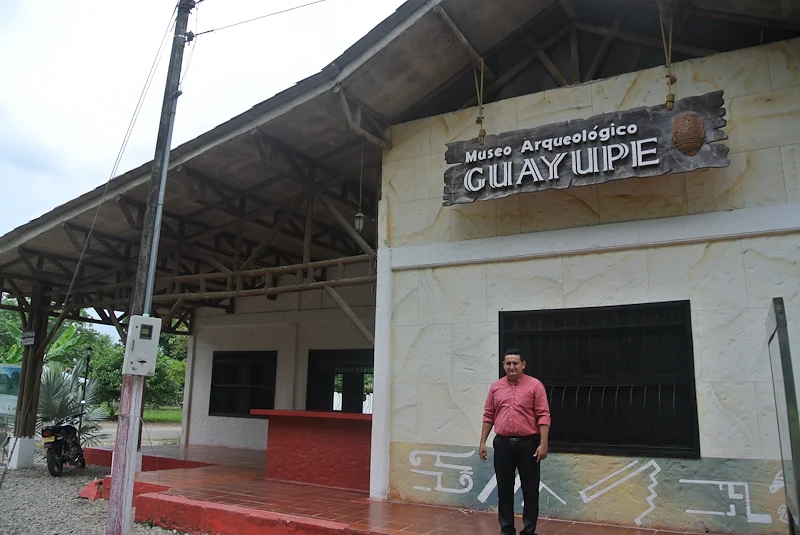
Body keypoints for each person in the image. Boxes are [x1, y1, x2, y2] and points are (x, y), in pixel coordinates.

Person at [479, 348, 551, 535]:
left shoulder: (535, 386)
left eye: (515, 363)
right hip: (503, 445)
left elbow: (543, 415)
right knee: (504, 489)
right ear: (503, 365)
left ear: (523, 365)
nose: (512, 366)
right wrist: (482, 442)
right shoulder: (496, 387)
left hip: (528, 445)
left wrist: (543, 443)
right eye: (508, 363)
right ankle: (507, 530)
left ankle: (529, 530)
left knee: (530, 489)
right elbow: (488, 415)